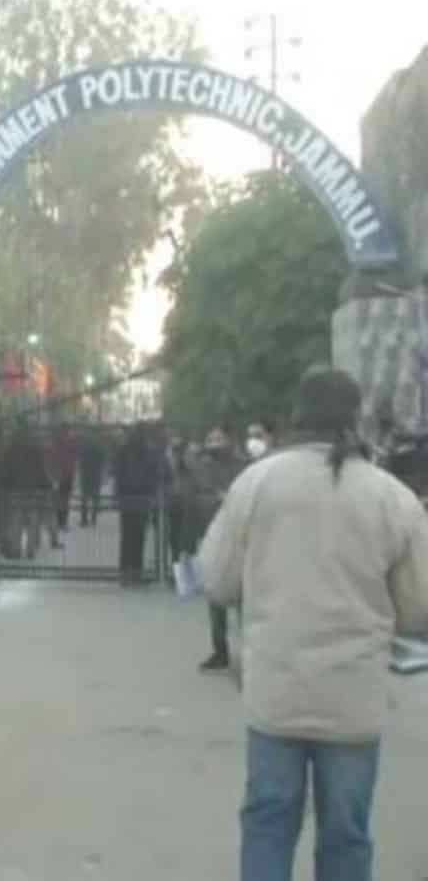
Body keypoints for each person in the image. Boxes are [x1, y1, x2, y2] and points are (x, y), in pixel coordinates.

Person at [199, 368, 428, 881]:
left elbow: (216, 578)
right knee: (346, 835)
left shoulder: (257, 484)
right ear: (355, 417)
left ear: (296, 414)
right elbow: (418, 606)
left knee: (268, 823)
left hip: (276, 696)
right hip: (353, 700)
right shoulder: (391, 497)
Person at [195, 426, 246, 672]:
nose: (216, 443)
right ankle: (220, 650)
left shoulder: (242, 466)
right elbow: (198, 499)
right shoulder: (203, 467)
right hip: (215, 537)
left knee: (245, 598)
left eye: (219, 438)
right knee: (215, 597)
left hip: (241, 539)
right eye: (212, 438)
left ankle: (250, 650)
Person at [112, 422, 159, 587]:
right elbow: (153, 474)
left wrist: (117, 495)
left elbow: (117, 473)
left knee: (128, 536)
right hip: (140, 497)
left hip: (129, 497)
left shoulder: (124, 449)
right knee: (137, 536)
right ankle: (134, 573)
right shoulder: (147, 450)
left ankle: (126, 574)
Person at [49, 424, 79, 532]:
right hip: (66, 474)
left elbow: (52, 457)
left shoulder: (56, 442)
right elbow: (74, 457)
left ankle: (59, 522)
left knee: (60, 499)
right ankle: (62, 522)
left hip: (60, 474)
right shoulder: (70, 442)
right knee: (64, 499)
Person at [77, 426, 106, 527]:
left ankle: (84, 519)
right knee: (95, 496)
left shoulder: (84, 444)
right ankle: (93, 518)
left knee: (85, 497)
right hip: (95, 473)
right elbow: (103, 459)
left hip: (86, 473)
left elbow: (80, 457)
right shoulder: (99, 445)